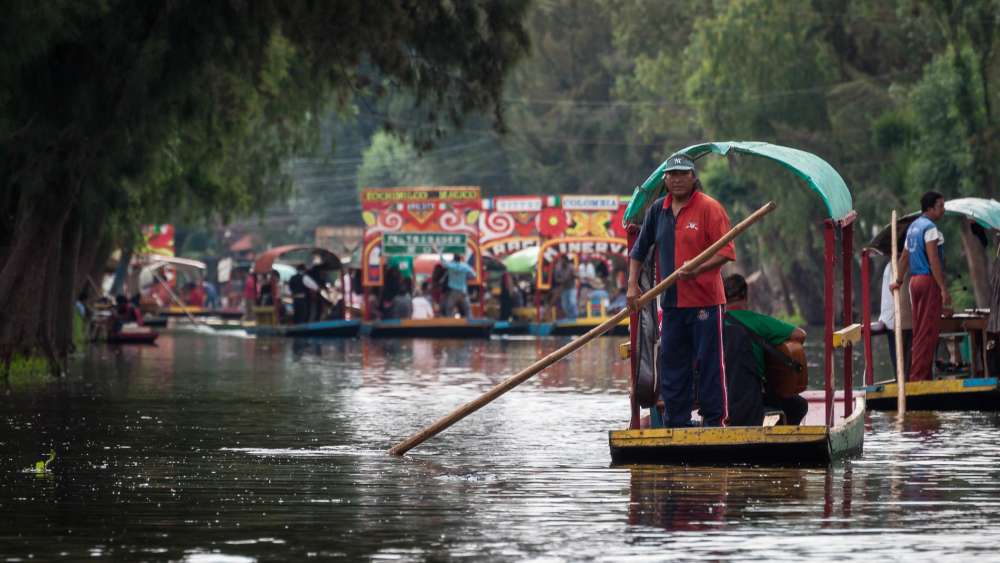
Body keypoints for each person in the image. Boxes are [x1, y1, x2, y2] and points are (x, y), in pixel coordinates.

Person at [627, 154, 735, 427]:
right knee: (672, 364)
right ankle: (677, 422)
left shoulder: (709, 208)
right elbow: (638, 251)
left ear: (693, 177)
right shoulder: (657, 211)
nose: (677, 180)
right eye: (672, 175)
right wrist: (631, 286)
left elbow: (725, 252)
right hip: (672, 303)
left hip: (705, 302)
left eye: (682, 175)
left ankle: (714, 421)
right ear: (665, 179)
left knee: (709, 364)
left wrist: (697, 269)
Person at [722, 274, 808, 426]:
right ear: (745, 295)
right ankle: (784, 442)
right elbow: (800, 335)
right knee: (798, 405)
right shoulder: (758, 322)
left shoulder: (714, 324)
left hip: (720, 397)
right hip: (750, 396)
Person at [892, 191, 949, 381]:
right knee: (928, 331)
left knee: (920, 330)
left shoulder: (913, 228)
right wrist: (943, 288)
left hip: (914, 282)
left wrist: (899, 280)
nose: (943, 209)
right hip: (927, 281)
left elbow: (904, 257)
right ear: (930, 208)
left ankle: (922, 374)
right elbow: (934, 260)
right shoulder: (929, 228)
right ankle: (918, 378)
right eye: (940, 206)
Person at [878, 259, 912, 379]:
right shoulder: (898, 266)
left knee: (903, 368)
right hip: (898, 321)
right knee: (904, 369)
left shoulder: (892, 265)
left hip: (896, 320)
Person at [439, 250, 477, 317]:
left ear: (454, 259)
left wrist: (440, 253)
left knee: (449, 309)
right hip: (463, 291)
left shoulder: (450, 265)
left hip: (453, 291)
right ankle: (471, 324)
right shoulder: (465, 266)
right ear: (460, 259)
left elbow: (443, 262)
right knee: (467, 309)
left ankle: (449, 324)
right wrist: (466, 277)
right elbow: (474, 275)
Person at [553, 255, 577, 319]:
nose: (561, 262)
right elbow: (556, 279)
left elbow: (577, 276)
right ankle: (569, 317)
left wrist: (574, 275)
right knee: (564, 305)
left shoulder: (571, 267)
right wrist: (562, 280)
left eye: (562, 260)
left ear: (566, 261)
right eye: (560, 260)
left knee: (572, 302)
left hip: (572, 287)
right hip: (563, 288)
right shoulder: (558, 267)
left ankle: (574, 316)